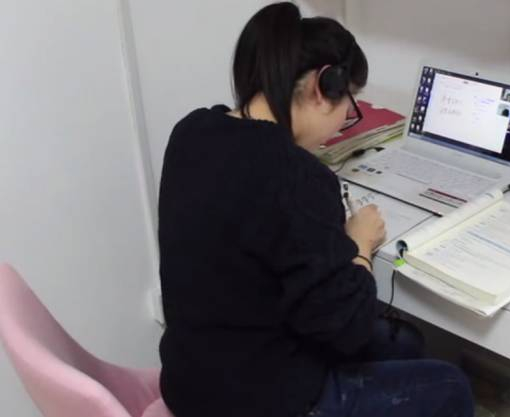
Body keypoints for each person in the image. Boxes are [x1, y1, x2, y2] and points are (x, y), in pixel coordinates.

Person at [157, 3, 474, 417]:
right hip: (258, 401)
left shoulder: (192, 131)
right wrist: (359, 245)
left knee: (405, 342)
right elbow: (347, 328)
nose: (345, 121)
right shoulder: (296, 176)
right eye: (350, 106)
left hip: (189, 379)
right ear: (322, 87)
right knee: (451, 386)